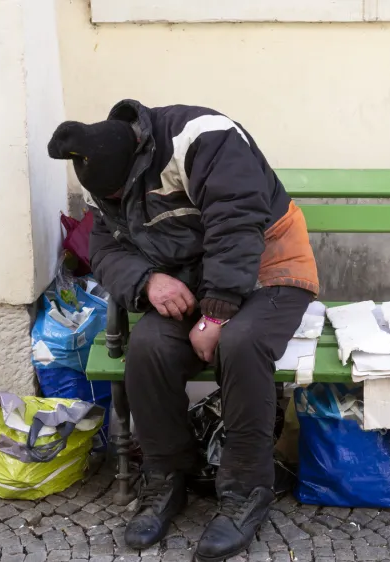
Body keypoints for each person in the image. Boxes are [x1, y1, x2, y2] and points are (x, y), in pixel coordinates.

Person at [47, 99, 319, 561]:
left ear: (135, 163)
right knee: (149, 346)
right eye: (108, 200)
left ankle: (246, 489)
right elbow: (105, 247)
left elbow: (236, 225)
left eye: (118, 196)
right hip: (197, 280)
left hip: (271, 270)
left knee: (241, 340)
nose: (115, 205)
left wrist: (215, 317)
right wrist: (146, 280)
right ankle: (167, 476)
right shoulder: (104, 175)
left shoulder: (202, 137)